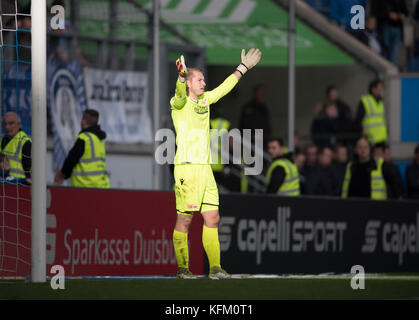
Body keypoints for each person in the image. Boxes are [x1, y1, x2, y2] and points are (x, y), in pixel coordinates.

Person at [170, 49, 262, 279]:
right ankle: (183, 269)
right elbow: (180, 93)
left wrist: (243, 68)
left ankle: (215, 269)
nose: (204, 82)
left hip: (205, 169)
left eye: (203, 79)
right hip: (187, 168)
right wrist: (181, 78)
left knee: (213, 218)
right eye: (199, 80)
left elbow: (224, 88)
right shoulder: (179, 103)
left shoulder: (205, 100)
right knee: (185, 219)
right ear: (190, 83)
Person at [53, 109, 110, 188]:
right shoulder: (99, 139)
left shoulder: (84, 138)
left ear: (83, 121)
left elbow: (71, 159)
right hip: (101, 186)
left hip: (84, 186)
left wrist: (63, 173)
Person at [354, 79, 388, 147]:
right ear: (373, 89)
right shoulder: (365, 101)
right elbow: (358, 120)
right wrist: (362, 130)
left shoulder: (381, 102)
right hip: (370, 138)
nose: (381, 91)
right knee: (373, 157)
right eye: (380, 89)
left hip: (382, 138)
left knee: (381, 157)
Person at [0, 112, 32, 185]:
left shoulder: (26, 142)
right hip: (5, 183)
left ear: (19, 125)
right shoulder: (3, 140)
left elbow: (30, 168)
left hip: (21, 185)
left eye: (11, 123)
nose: (7, 127)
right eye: (5, 124)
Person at [373, 0, 408, 66]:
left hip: (397, 27)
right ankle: (384, 71)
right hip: (385, 27)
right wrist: (388, 14)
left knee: (394, 54)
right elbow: (377, 11)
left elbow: (406, 11)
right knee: (384, 52)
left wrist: (402, 15)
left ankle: (393, 73)